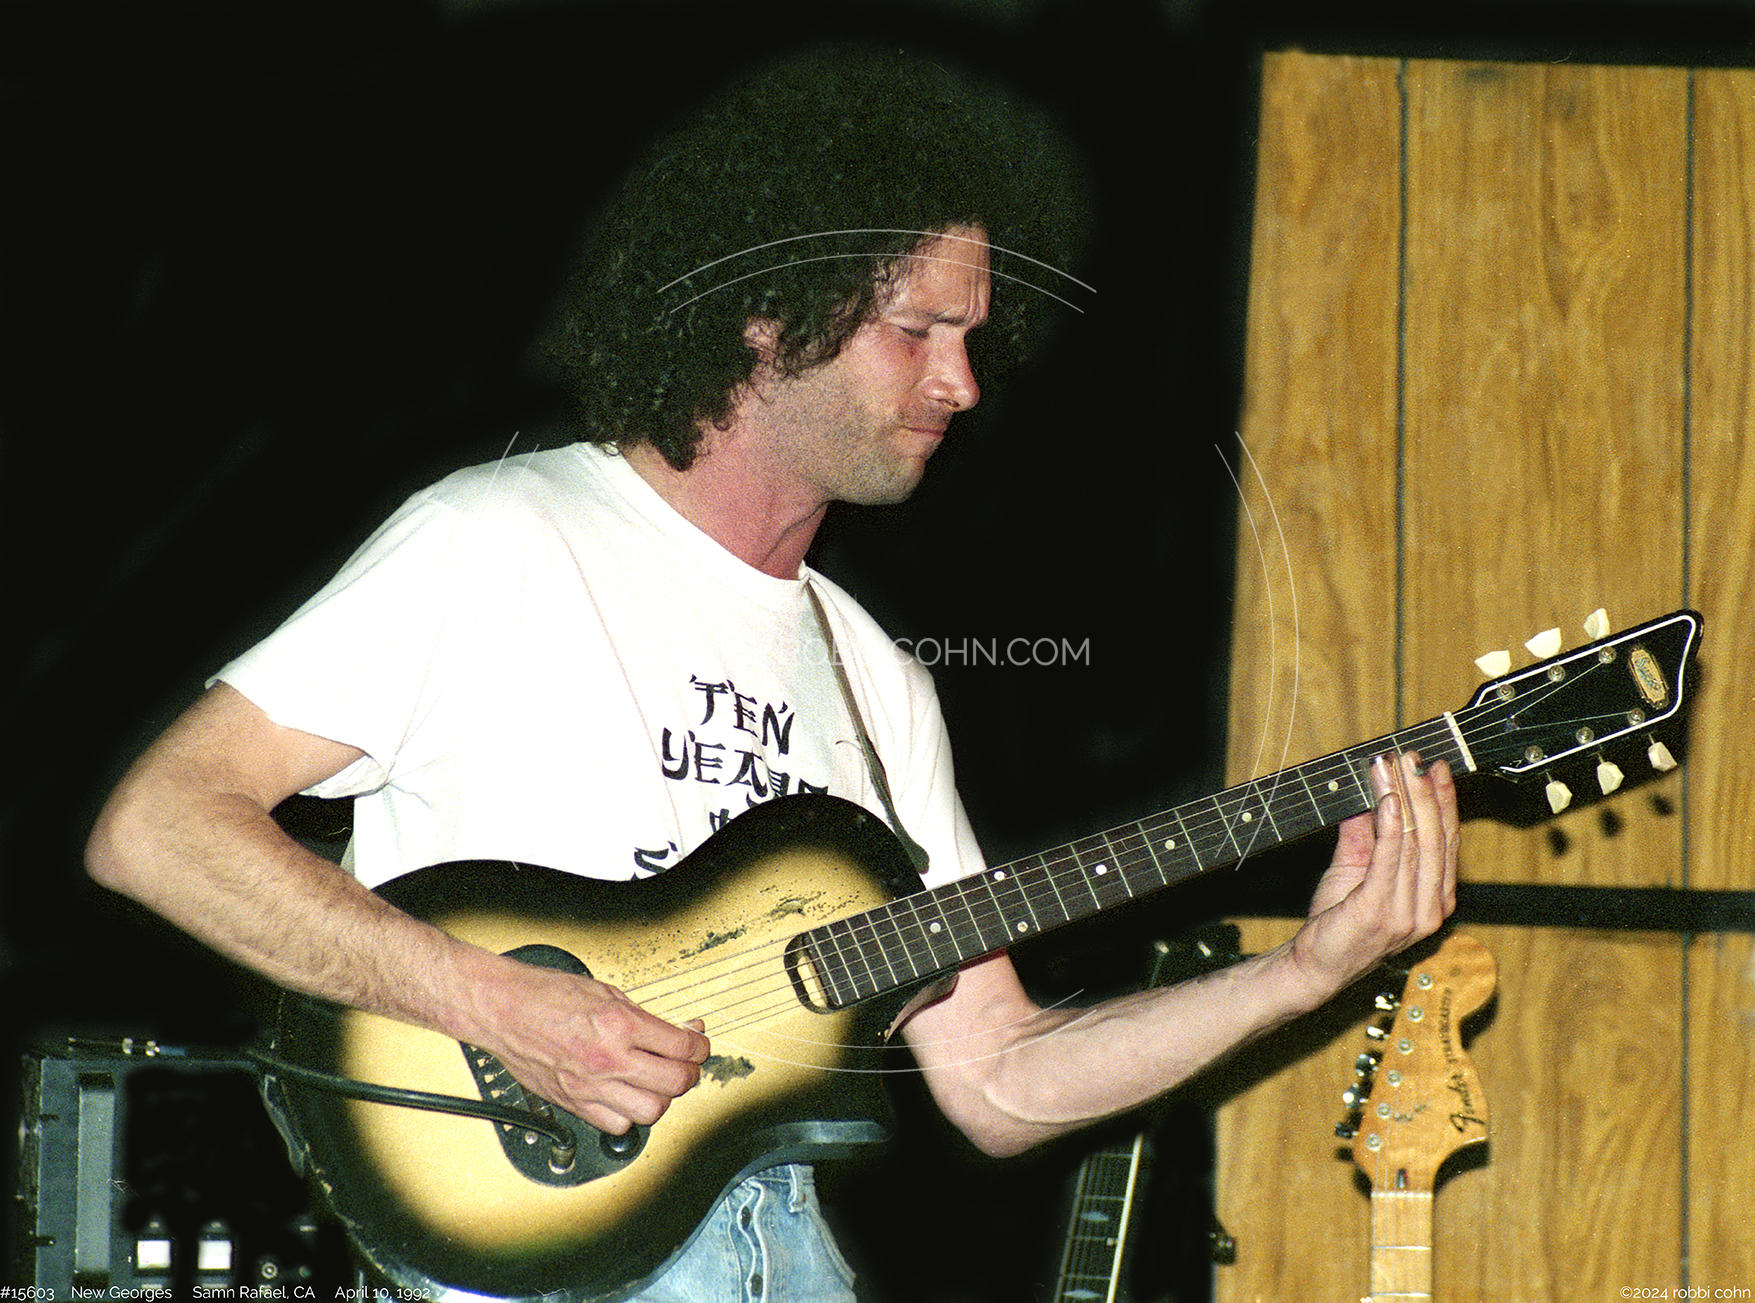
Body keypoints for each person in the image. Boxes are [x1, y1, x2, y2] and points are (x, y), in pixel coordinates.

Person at [84, 47, 1458, 1302]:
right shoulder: (504, 538)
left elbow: (994, 1076)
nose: (963, 383)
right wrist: (492, 1004)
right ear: (768, 316)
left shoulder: (878, 680)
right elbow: (157, 827)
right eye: (917, 331)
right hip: (535, 1260)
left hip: (783, 1258)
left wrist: (1304, 973)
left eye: (972, 338)